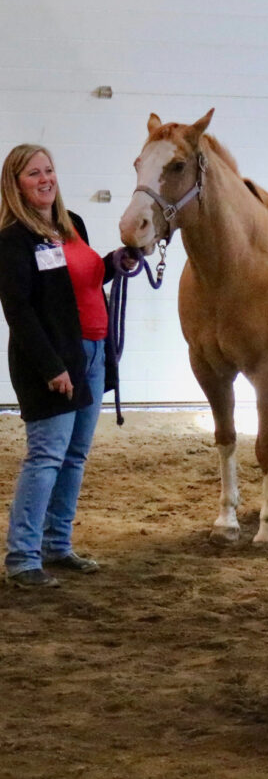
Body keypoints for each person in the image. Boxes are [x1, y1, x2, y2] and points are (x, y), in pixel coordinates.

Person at [0, 144, 129, 589]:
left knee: (73, 455)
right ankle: (22, 557)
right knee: (47, 456)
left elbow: (83, 278)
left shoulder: (72, 224)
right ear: (15, 183)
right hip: (53, 359)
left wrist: (115, 263)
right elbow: (20, 310)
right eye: (33, 173)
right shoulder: (14, 237)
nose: (44, 179)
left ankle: (57, 544)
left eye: (49, 170)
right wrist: (53, 367)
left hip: (91, 352)